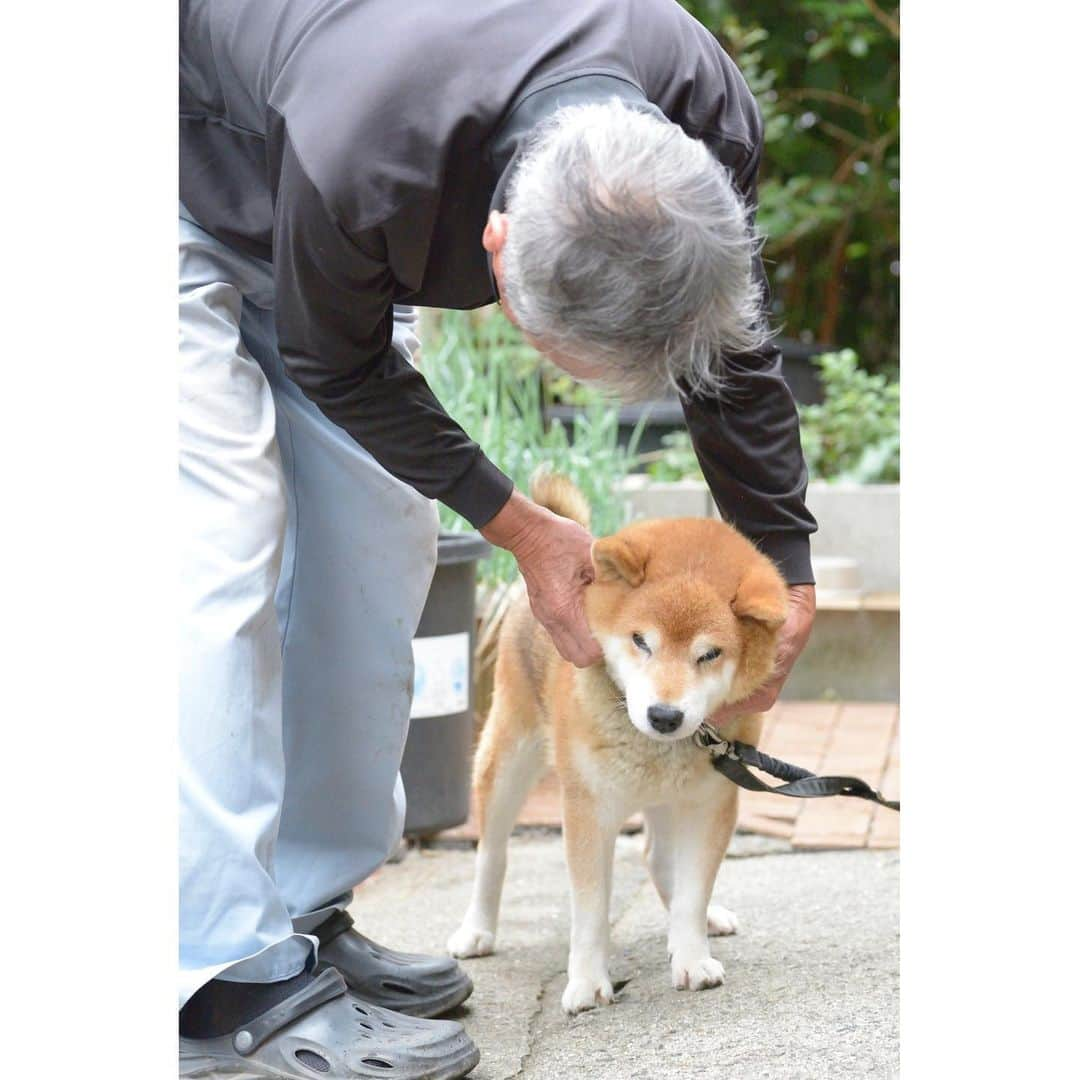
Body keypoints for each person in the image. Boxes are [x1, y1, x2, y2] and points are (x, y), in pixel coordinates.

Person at [178, 0, 817, 1075]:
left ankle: (301, 918)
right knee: (214, 557)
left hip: (344, 192)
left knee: (380, 540)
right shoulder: (371, 153)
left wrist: (786, 573)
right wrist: (521, 526)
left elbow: (734, 359)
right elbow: (337, 364)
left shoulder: (705, 112)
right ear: (497, 245)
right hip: (180, 171)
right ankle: (214, 982)